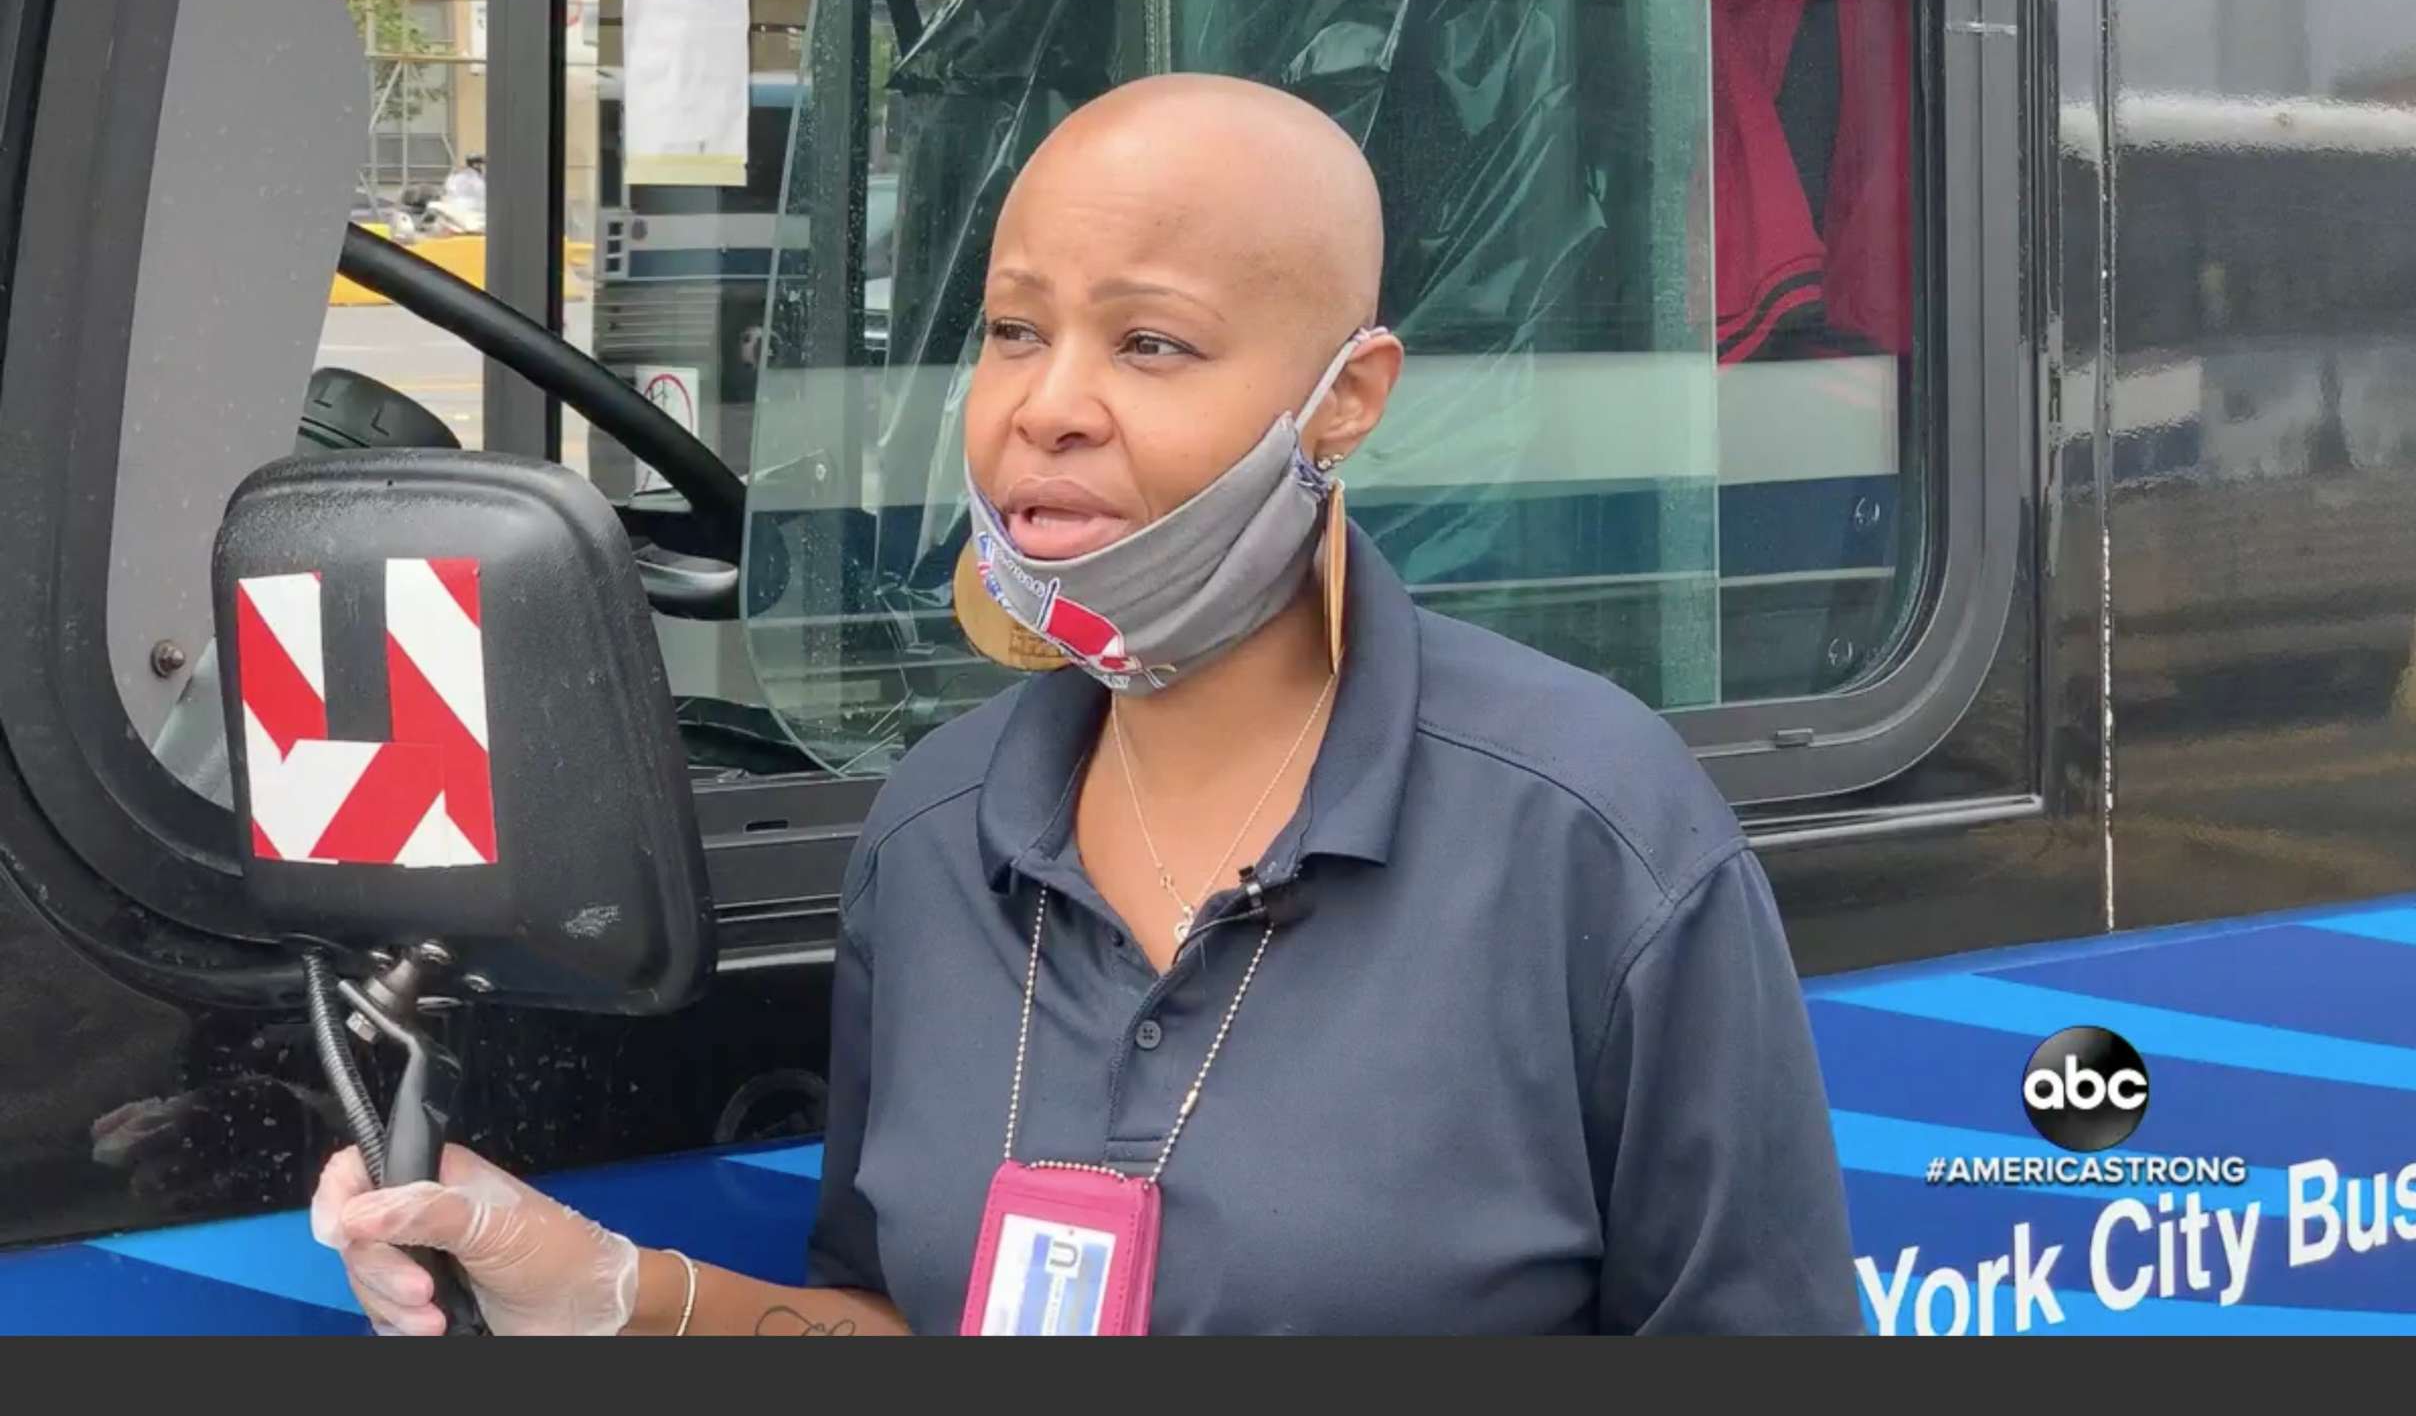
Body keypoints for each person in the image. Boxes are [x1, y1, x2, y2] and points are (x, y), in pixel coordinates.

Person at [310, 73, 1861, 1336]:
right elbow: (903, 1325)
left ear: (1349, 396)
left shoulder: (1594, 833)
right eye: (1011, 331)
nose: (1046, 405)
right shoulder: (930, 836)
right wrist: (599, 1294)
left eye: (1152, 343)